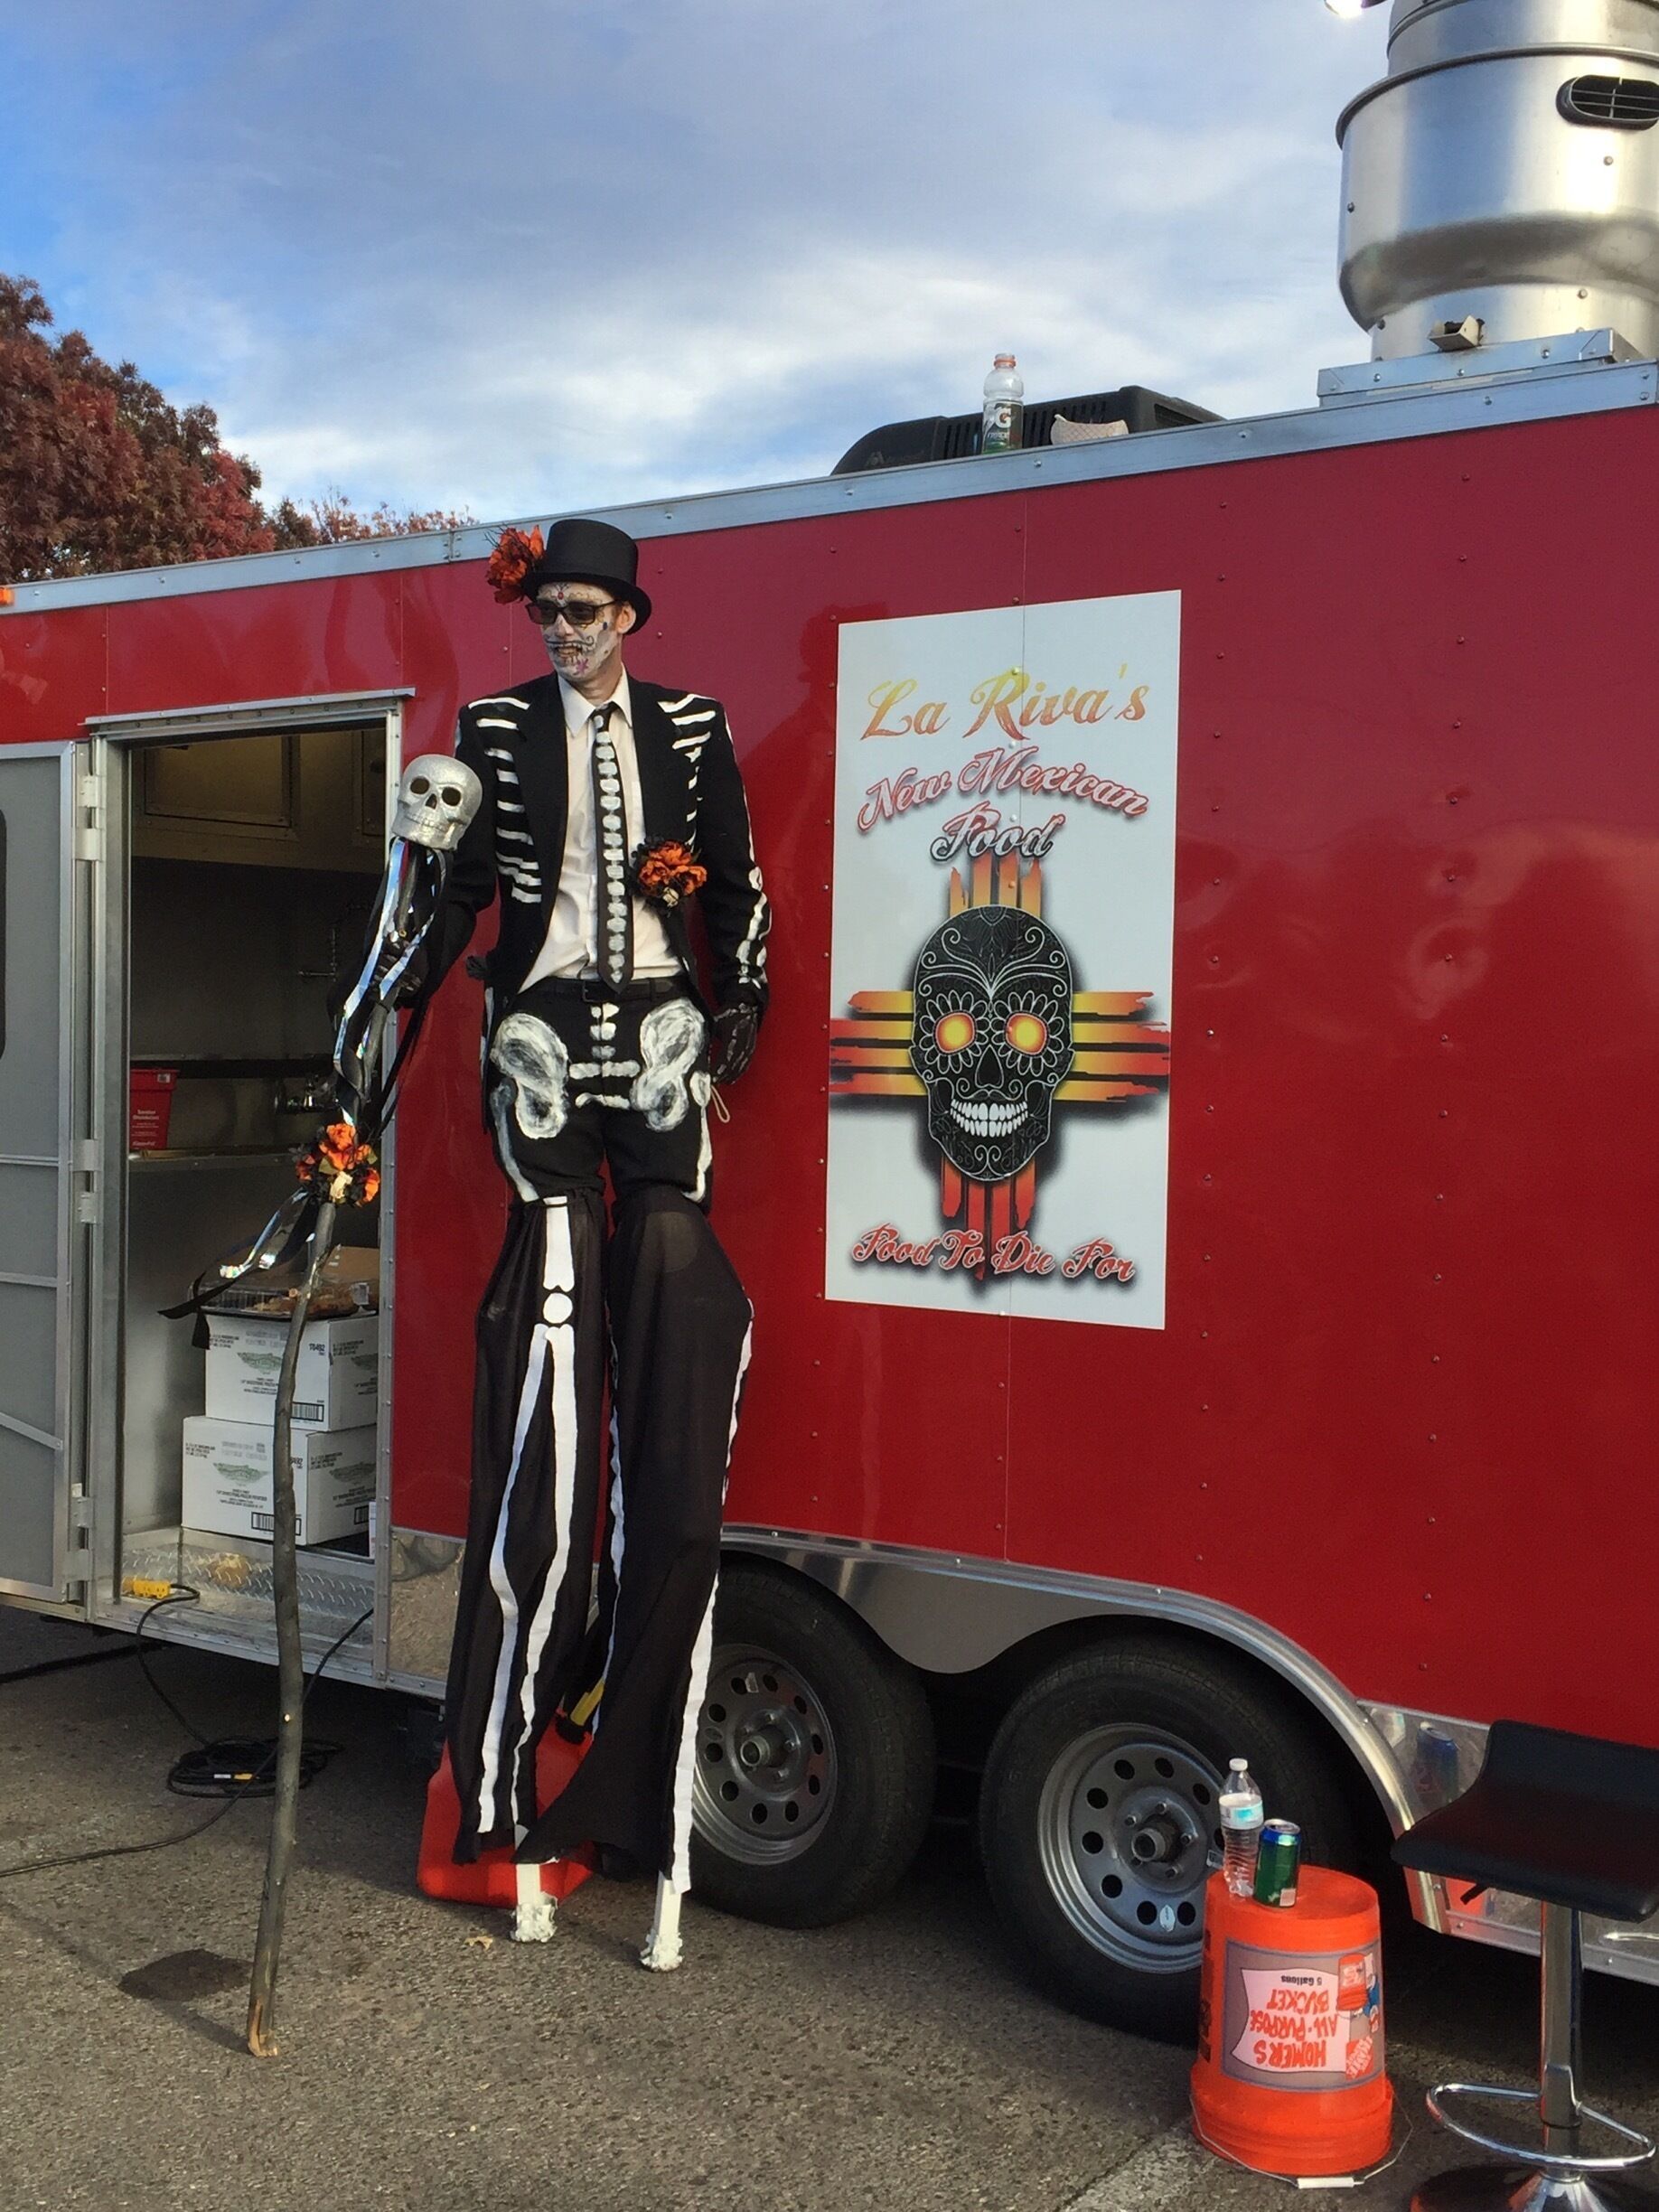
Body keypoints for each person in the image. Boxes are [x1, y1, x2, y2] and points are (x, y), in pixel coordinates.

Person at [421, 516, 770, 1963]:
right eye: (548, 610)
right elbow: (450, 900)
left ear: (630, 614)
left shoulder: (692, 727)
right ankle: (506, 1804)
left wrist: (739, 1008)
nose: (564, 631)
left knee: (675, 1412)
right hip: (546, 1038)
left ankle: (641, 1812)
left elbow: (737, 884)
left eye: (586, 610)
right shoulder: (496, 729)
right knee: (552, 1389)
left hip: (665, 1042)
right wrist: (379, 1022)